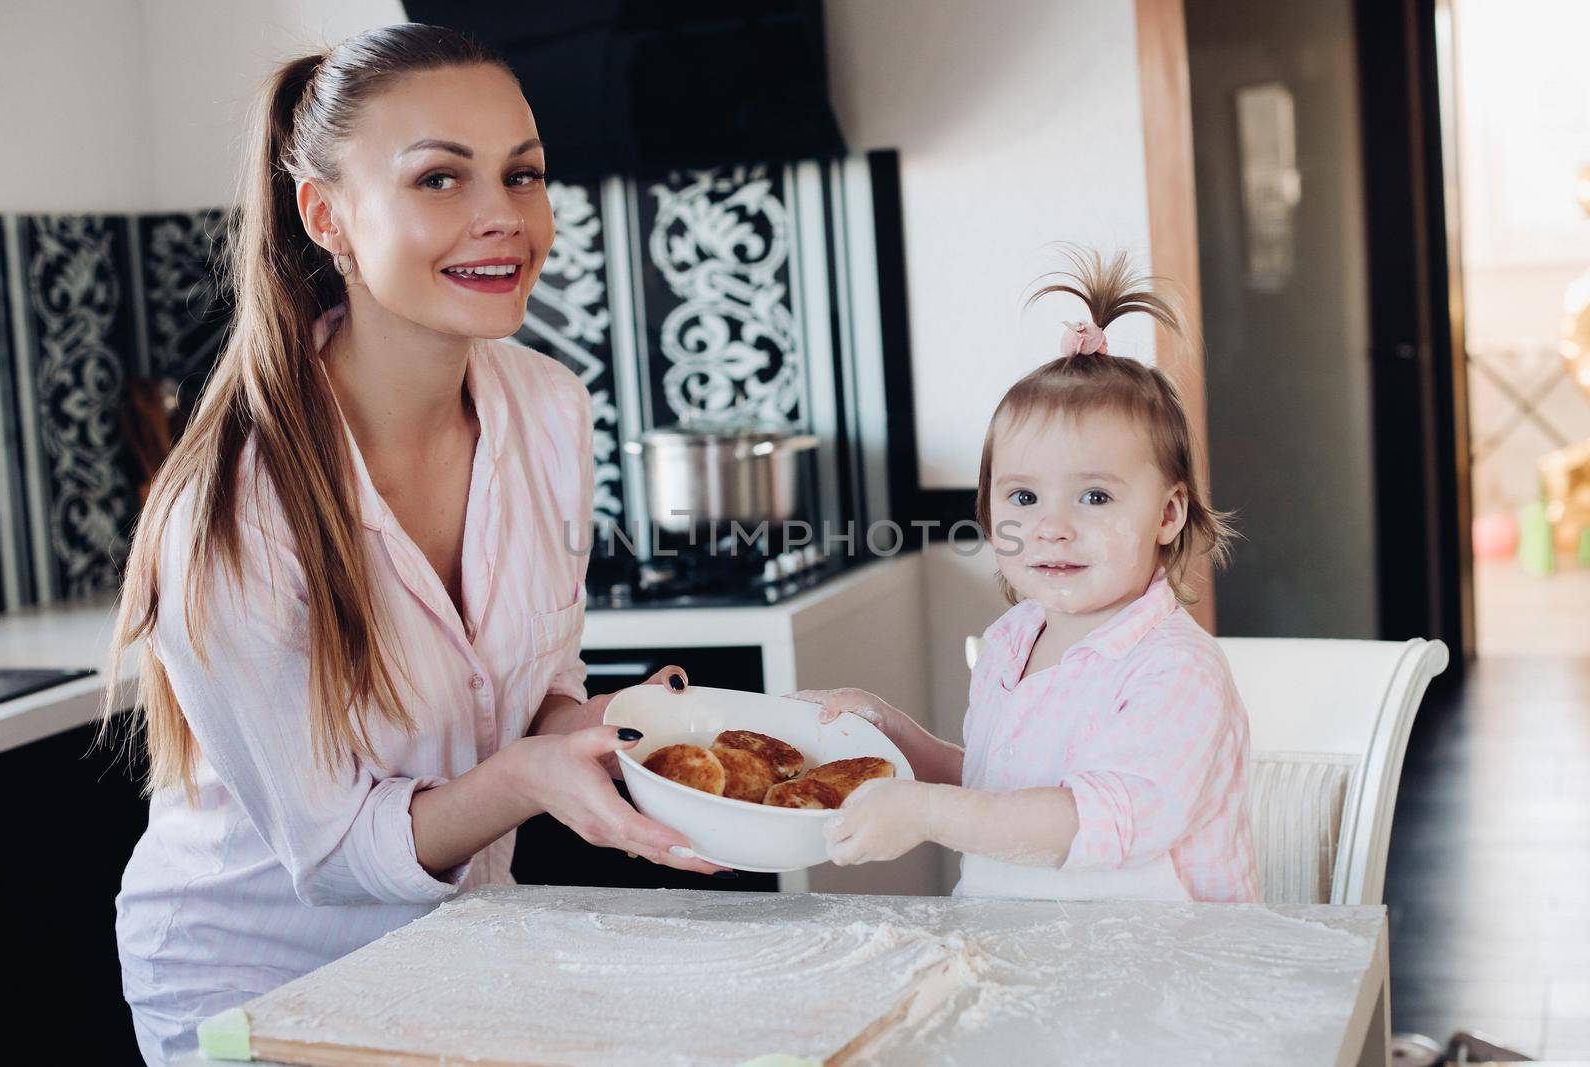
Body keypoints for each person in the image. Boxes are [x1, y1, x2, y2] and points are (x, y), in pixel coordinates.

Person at [105, 25, 720, 1065]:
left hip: (470, 952)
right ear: (327, 214)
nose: (503, 218)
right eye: (439, 178)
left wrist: (617, 727)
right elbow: (338, 849)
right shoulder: (230, 512)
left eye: (522, 174)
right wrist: (528, 777)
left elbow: (536, 690)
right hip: (263, 990)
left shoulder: (549, 410)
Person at [793, 250, 1258, 904]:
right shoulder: (1014, 639)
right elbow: (996, 792)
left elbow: (1085, 822)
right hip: (1024, 960)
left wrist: (925, 812)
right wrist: (893, 733)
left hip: (1160, 973)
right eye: (1022, 497)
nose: (1052, 526)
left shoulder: (1176, 671)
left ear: (1168, 512)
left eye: (1094, 497)